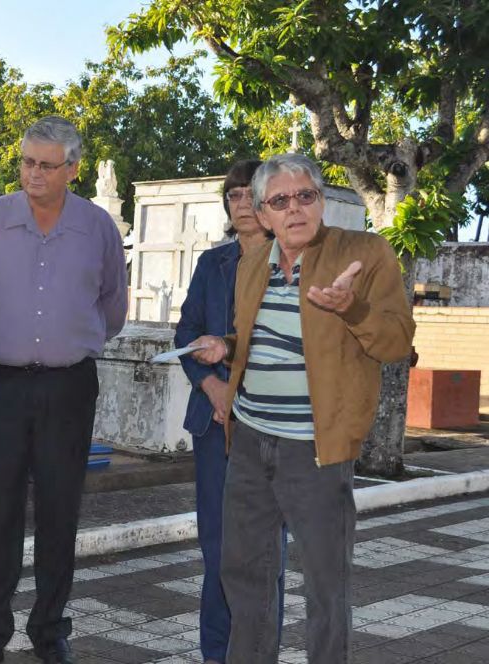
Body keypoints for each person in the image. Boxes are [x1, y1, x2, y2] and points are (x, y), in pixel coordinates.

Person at [190, 153, 415, 663]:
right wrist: (226, 345)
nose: (295, 209)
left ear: (321, 202)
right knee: (244, 576)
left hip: (316, 446)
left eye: (306, 196)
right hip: (247, 441)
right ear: (263, 214)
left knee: (325, 587)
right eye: (280, 201)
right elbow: (261, 338)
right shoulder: (252, 264)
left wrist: (349, 307)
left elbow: (397, 341)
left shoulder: (366, 252)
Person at [0, 116, 128, 664]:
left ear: (72, 170)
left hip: (69, 388)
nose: (33, 173)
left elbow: (113, 306)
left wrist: (65, 340)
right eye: (27, 161)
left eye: (46, 165)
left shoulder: (97, 227)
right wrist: (5, 340)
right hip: (1, 386)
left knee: (59, 514)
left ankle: (50, 631)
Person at [175, 159, 284, 664]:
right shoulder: (212, 265)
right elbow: (185, 335)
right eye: (233, 195)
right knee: (217, 553)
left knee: (263, 556)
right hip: (214, 426)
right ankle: (215, 655)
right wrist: (211, 385)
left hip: (273, 429)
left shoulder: (294, 266)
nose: (241, 205)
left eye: (250, 195)